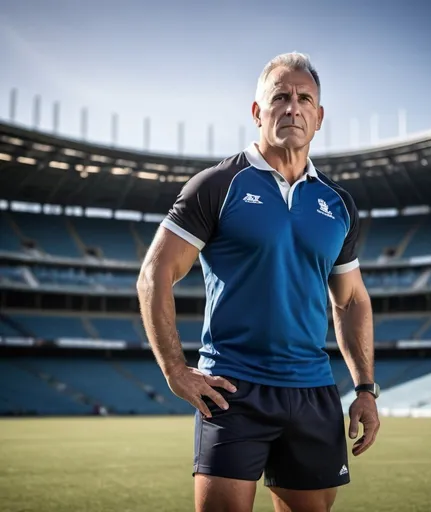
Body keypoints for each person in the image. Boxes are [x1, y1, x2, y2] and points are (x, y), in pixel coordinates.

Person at [137, 52, 380, 512]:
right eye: (280, 97)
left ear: (319, 116)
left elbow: (350, 302)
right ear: (257, 112)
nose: (293, 107)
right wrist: (174, 370)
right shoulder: (216, 184)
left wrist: (365, 389)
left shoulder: (338, 203)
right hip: (233, 391)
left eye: (304, 98)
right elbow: (155, 275)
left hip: (313, 393)